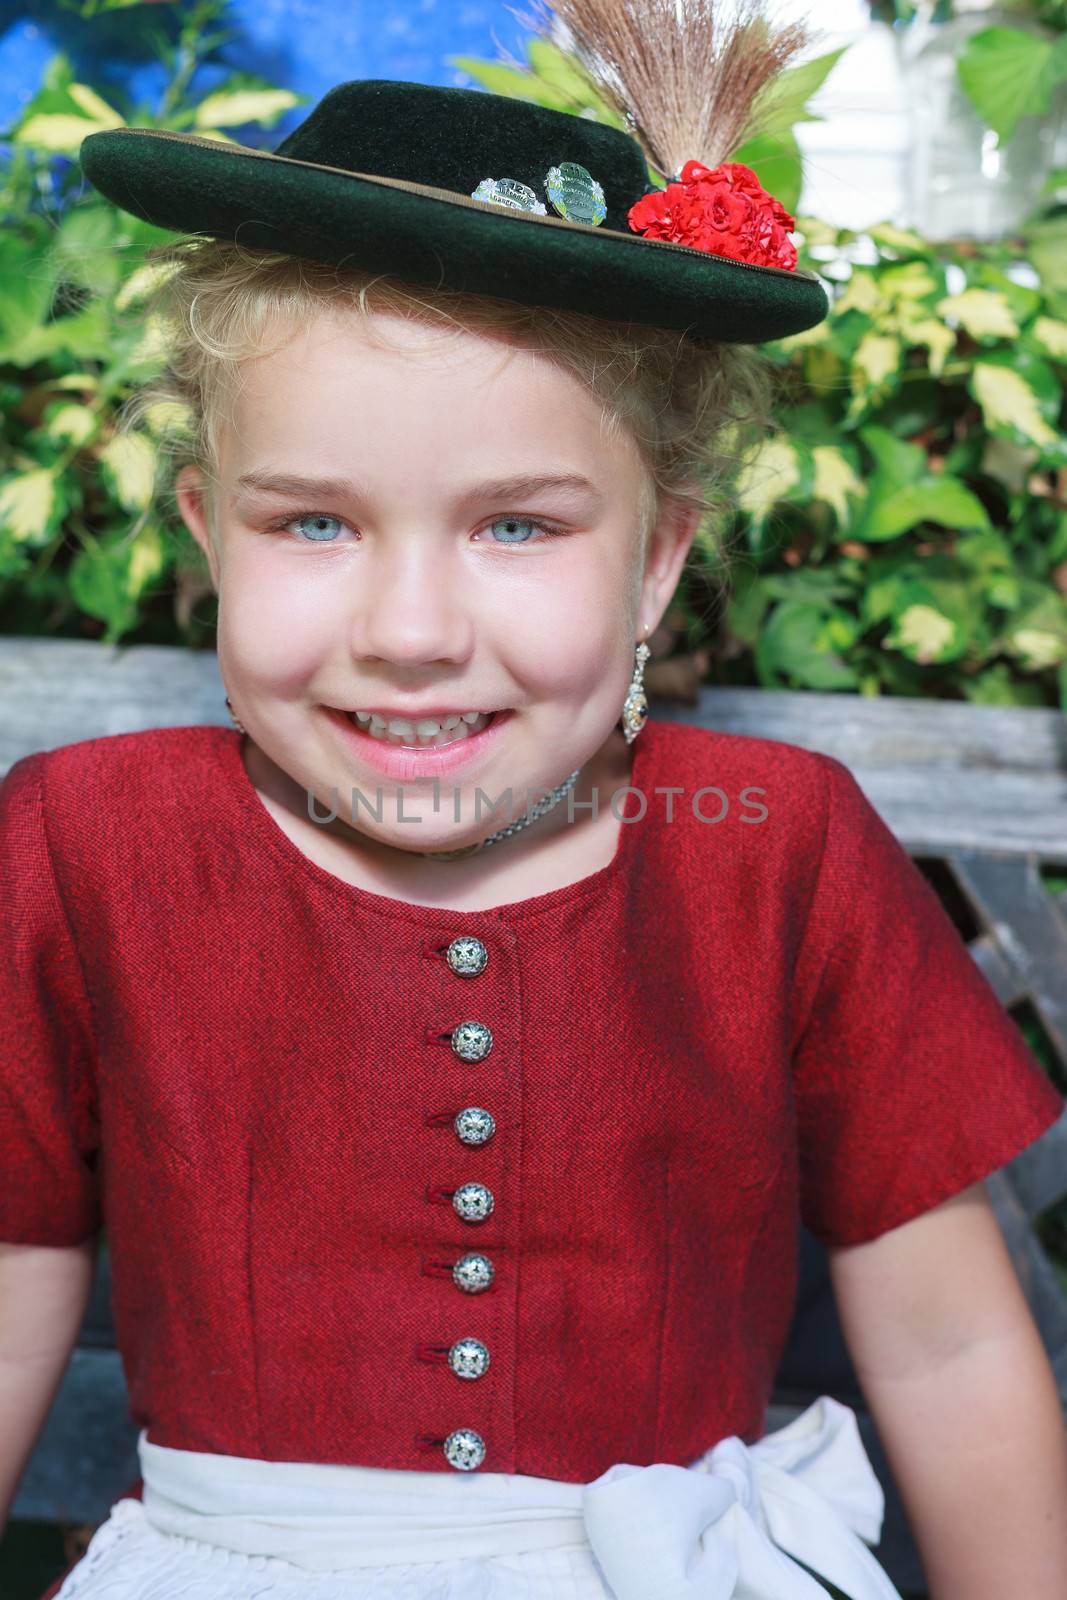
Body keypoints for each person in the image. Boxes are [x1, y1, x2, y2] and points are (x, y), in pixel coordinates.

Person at [3, 4, 1067, 1598]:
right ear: (210, 531)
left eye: (516, 528)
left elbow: (945, 1341)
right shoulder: (86, 844)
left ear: (653, 559)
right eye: (312, 526)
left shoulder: (777, 850)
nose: (414, 630)